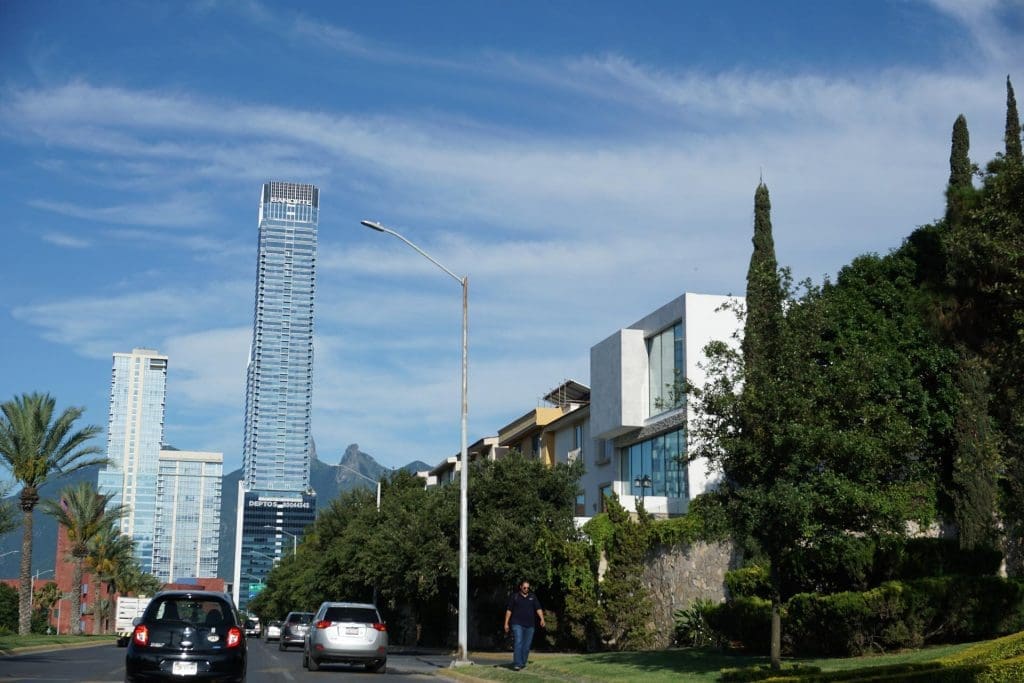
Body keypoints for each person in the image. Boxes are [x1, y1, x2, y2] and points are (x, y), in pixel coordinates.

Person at [503, 580, 544, 671]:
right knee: (518, 642)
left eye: (528, 588)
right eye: (524, 587)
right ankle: (517, 664)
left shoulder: (532, 597)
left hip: (530, 625)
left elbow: (538, 608)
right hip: (517, 624)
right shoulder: (515, 597)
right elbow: (509, 611)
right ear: (520, 587)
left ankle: (522, 663)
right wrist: (506, 623)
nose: (526, 589)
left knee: (527, 645)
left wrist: (542, 619)